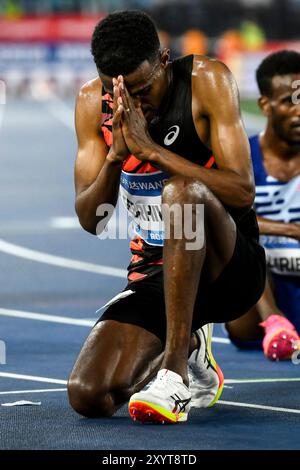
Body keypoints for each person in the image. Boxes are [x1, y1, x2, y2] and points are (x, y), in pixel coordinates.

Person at [67, 10, 266, 424]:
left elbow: (243, 191)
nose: (133, 103)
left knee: (182, 193)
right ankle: (191, 344)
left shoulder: (205, 81)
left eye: (142, 89)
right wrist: (116, 160)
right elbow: (93, 219)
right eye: (117, 91)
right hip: (157, 274)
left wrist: (154, 152)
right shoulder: (92, 103)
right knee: (89, 396)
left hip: (228, 266)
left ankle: (174, 374)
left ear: (163, 60)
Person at [226, 50, 300, 361]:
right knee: (231, 232)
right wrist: (290, 231)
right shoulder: (242, 158)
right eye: (288, 102)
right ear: (265, 105)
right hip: (257, 300)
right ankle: (275, 322)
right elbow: (224, 218)